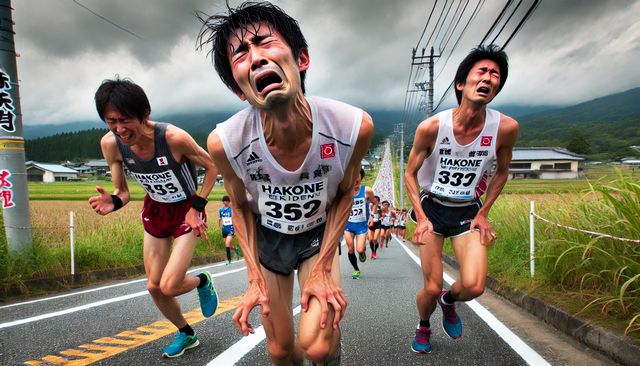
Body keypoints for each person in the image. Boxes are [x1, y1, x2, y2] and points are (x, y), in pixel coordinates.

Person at [197, 2, 374, 365]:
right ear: (239, 90)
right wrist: (253, 279)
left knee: (319, 346)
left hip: (315, 236)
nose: (257, 58)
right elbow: (239, 206)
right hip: (268, 239)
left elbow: (345, 193)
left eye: (265, 42)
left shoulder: (352, 127)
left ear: (302, 59)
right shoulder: (225, 142)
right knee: (279, 352)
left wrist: (325, 266)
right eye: (241, 53)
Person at [89, 78, 219, 358]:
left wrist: (197, 206)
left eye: (125, 120)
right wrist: (114, 201)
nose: (119, 129)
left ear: (144, 114)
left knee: (170, 285)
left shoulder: (173, 138)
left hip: (185, 210)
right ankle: (186, 334)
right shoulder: (111, 144)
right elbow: (122, 192)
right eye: (111, 121)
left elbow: (212, 166)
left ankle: (202, 281)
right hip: (155, 210)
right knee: (154, 286)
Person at [404, 44, 518, 354]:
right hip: (432, 208)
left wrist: (484, 214)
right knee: (430, 284)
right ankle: (424, 325)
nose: (488, 78)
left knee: (474, 286)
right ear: (461, 83)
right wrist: (421, 218)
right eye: (481, 71)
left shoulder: (504, 128)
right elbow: (410, 174)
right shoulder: (431, 128)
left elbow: (502, 172)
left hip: (468, 210)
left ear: (496, 88)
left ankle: (448, 300)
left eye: (495, 75)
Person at [344, 168, 375, 279]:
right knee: (351, 249)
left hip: (361, 225)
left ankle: (362, 252)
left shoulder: (367, 191)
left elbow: (375, 203)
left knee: (360, 249)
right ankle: (356, 269)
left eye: (358, 175)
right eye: (353, 175)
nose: (356, 178)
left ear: (361, 177)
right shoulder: (345, 191)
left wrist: (372, 216)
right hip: (348, 225)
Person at [219, 195, 241, 265]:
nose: (226, 202)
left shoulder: (231, 210)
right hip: (224, 229)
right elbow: (219, 219)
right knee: (228, 245)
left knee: (227, 244)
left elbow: (234, 219)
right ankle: (236, 250)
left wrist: (236, 228)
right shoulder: (221, 210)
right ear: (223, 202)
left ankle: (229, 260)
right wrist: (219, 227)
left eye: (227, 201)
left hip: (230, 229)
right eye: (225, 201)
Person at [367, 195, 382, 259]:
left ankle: (375, 251)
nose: (375, 201)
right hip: (370, 224)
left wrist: (381, 217)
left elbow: (383, 215)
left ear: (378, 201)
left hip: (377, 224)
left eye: (376, 200)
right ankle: (373, 252)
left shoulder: (380, 208)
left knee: (375, 239)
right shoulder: (368, 207)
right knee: (370, 239)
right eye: (373, 200)